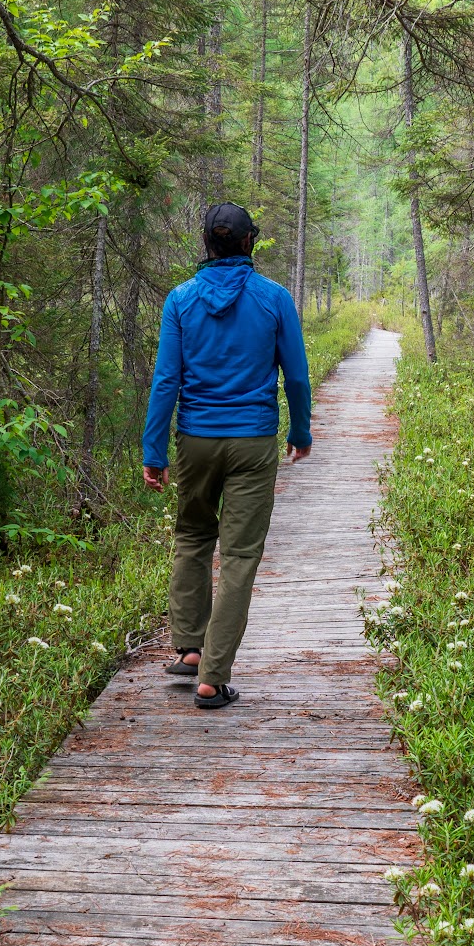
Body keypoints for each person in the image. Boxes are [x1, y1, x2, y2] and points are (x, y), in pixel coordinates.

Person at [141, 204, 312, 709]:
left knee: (192, 536)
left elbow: (166, 379)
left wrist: (155, 449)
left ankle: (190, 646)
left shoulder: (180, 299)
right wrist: (300, 430)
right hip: (253, 443)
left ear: (206, 245)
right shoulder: (274, 298)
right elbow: (297, 376)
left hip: (195, 439)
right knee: (238, 556)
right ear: (247, 243)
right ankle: (212, 676)